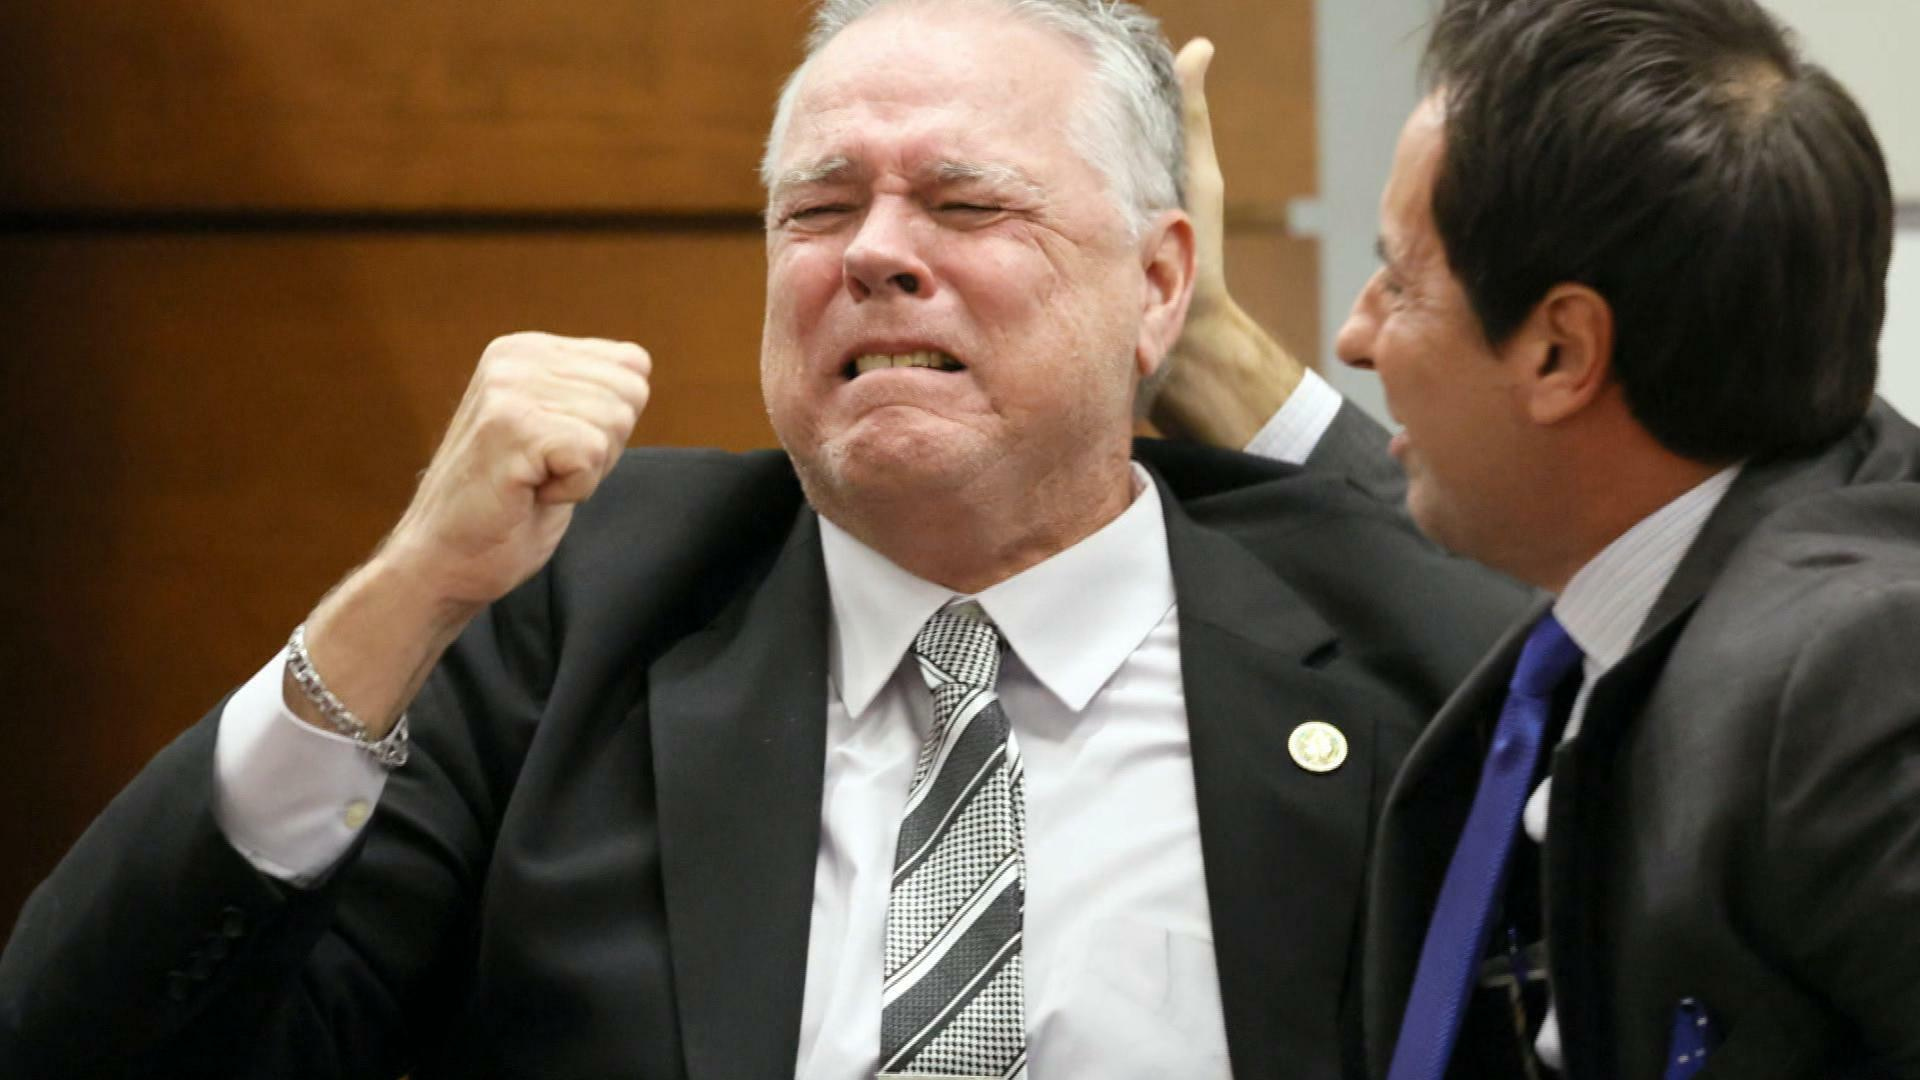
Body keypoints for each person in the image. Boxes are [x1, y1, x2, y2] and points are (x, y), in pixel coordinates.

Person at [0, 2, 1526, 1078]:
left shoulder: (1392, 650)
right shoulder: (581, 614)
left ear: (1160, 282)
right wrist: (407, 592)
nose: (875, 252)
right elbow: (94, 1042)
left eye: (965, 202)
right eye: (818, 209)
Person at [1165, 2, 1920, 1077]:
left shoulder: (1861, 677)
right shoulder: (1667, 571)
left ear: (1563, 352)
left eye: (1401, 282)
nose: (1356, 335)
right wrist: (1204, 346)